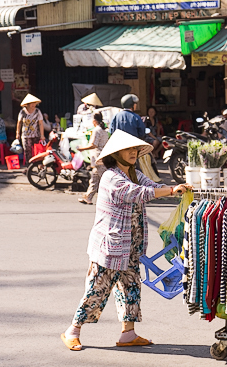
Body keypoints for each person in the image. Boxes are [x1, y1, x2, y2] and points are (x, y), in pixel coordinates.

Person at [61, 130, 192, 351]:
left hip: (131, 246)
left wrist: (181, 189)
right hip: (110, 246)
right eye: (128, 150)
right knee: (97, 289)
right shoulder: (111, 177)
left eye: (135, 150)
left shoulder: (134, 173)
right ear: (117, 154)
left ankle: (128, 333)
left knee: (130, 287)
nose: (133, 153)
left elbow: (151, 186)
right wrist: (171, 190)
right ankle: (72, 331)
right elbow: (139, 194)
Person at [78, 112, 109, 205]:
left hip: (98, 157)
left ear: (94, 121)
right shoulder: (105, 131)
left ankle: (113, 198)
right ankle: (88, 197)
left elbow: (93, 145)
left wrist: (81, 148)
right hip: (102, 157)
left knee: (105, 180)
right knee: (94, 179)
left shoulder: (97, 130)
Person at [16, 94, 45, 164]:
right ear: (27, 104)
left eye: (34, 103)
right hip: (26, 135)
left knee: (38, 151)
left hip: (36, 134)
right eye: (32, 103)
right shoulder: (22, 112)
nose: (33, 105)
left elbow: (40, 123)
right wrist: (17, 133)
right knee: (27, 151)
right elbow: (19, 123)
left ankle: (39, 166)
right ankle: (29, 167)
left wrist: (42, 135)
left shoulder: (37, 111)